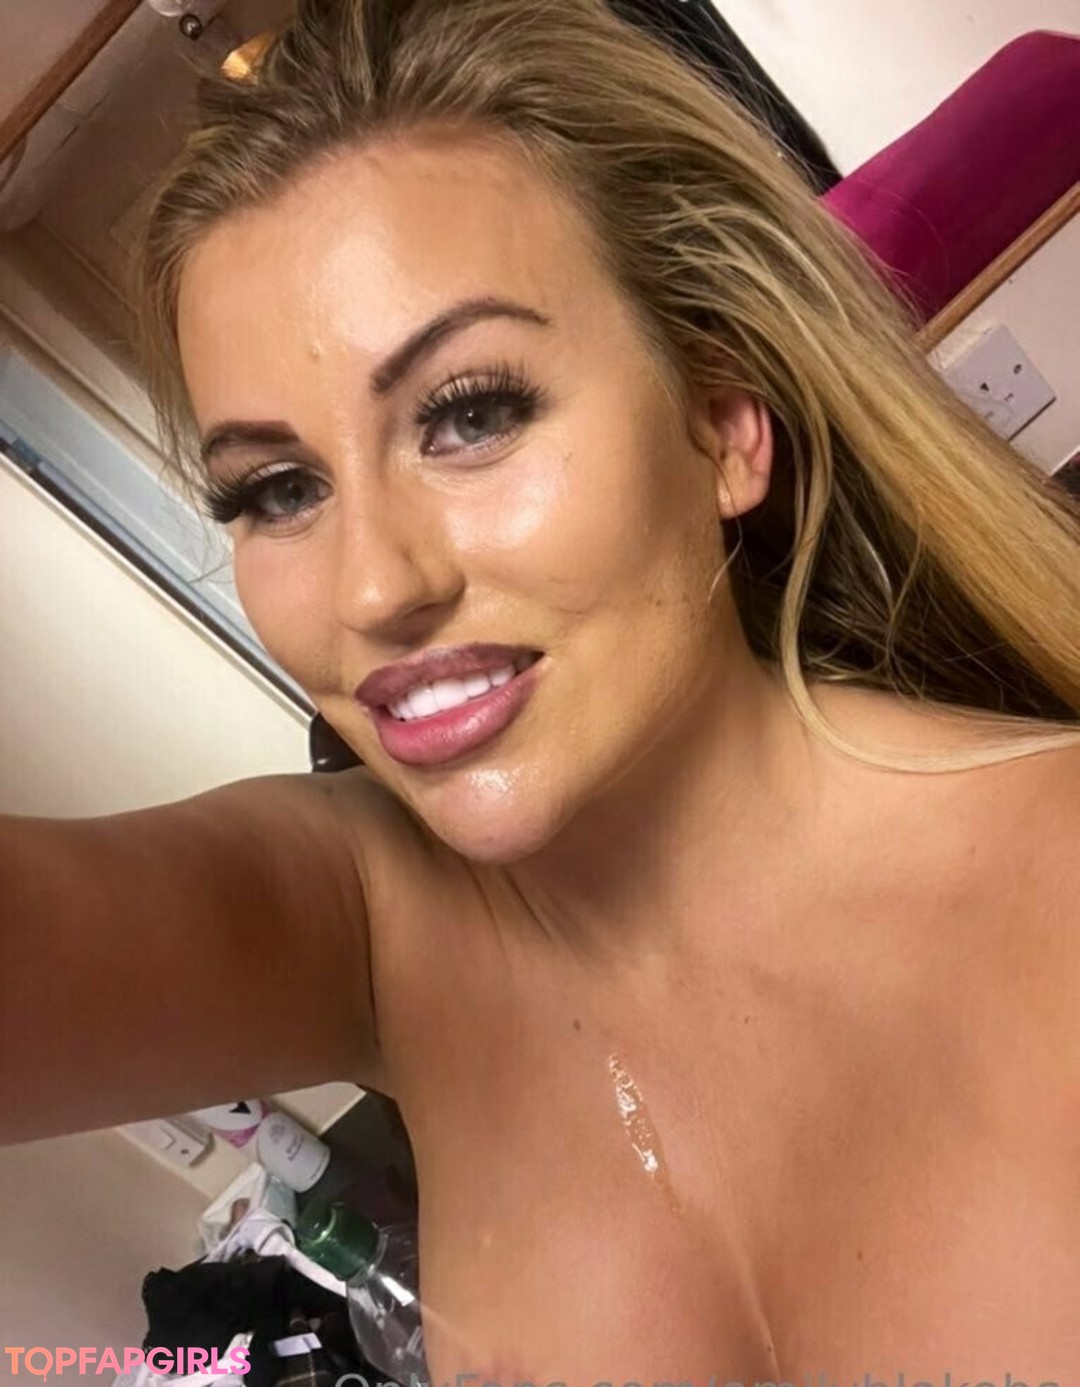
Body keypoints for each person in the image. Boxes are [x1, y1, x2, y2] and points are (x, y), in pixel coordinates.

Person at [3, 0, 1079, 1380]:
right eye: (279, 490)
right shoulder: (378, 929)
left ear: (721, 426)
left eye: (470, 413)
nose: (373, 587)